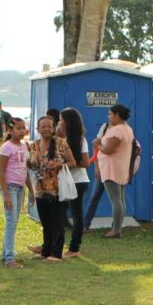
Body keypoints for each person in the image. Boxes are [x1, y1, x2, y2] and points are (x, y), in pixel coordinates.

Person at [28, 115, 74, 262]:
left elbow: (73, 162)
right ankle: (45, 250)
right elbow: (30, 164)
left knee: (58, 222)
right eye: (43, 126)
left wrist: (60, 165)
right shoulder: (35, 144)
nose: (46, 129)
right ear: (38, 129)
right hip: (40, 188)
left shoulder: (61, 143)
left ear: (53, 128)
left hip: (57, 188)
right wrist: (31, 163)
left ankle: (56, 253)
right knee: (45, 221)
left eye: (49, 126)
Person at [92, 104, 135, 239]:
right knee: (120, 200)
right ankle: (117, 227)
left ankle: (116, 230)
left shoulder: (117, 130)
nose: (108, 116)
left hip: (111, 169)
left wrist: (97, 144)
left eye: (110, 114)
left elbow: (108, 150)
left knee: (115, 200)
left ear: (117, 115)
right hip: (120, 168)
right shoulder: (127, 129)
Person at [58, 108, 89, 258]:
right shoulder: (61, 139)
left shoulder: (80, 140)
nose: (59, 123)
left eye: (61, 119)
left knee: (76, 215)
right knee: (59, 214)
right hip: (64, 181)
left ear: (67, 122)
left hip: (78, 181)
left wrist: (68, 163)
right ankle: (50, 244)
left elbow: (85, 163)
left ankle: (74, 248)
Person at [0, 117, 28, 268]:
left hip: (20, 187)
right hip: (10, 187)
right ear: (10, 130)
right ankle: (10, 258)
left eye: (23, 128)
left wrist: (31, 190)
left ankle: (5, 254)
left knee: (14, 222)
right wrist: (6, 194)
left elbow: (25, 169)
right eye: (18, 128)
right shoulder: (6, 147)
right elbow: (1, 170)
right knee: (11, 222)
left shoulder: (24, 146)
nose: (22, 131)